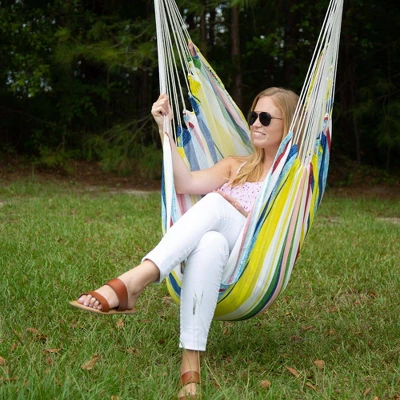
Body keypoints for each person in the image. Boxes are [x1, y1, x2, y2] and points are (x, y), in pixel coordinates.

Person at [70, 86, 299, 399]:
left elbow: (279, 224)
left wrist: (234, 208)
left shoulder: (293, 176)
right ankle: (190, 366)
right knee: (211, 241)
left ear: (288, 125)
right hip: (221, 261)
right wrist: (164, 130)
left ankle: (135, 280)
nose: (256, 123)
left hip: (252, 256)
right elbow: (185, 183)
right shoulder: (236, 166)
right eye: (253, 116)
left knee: (215, 202)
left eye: (266, 118)